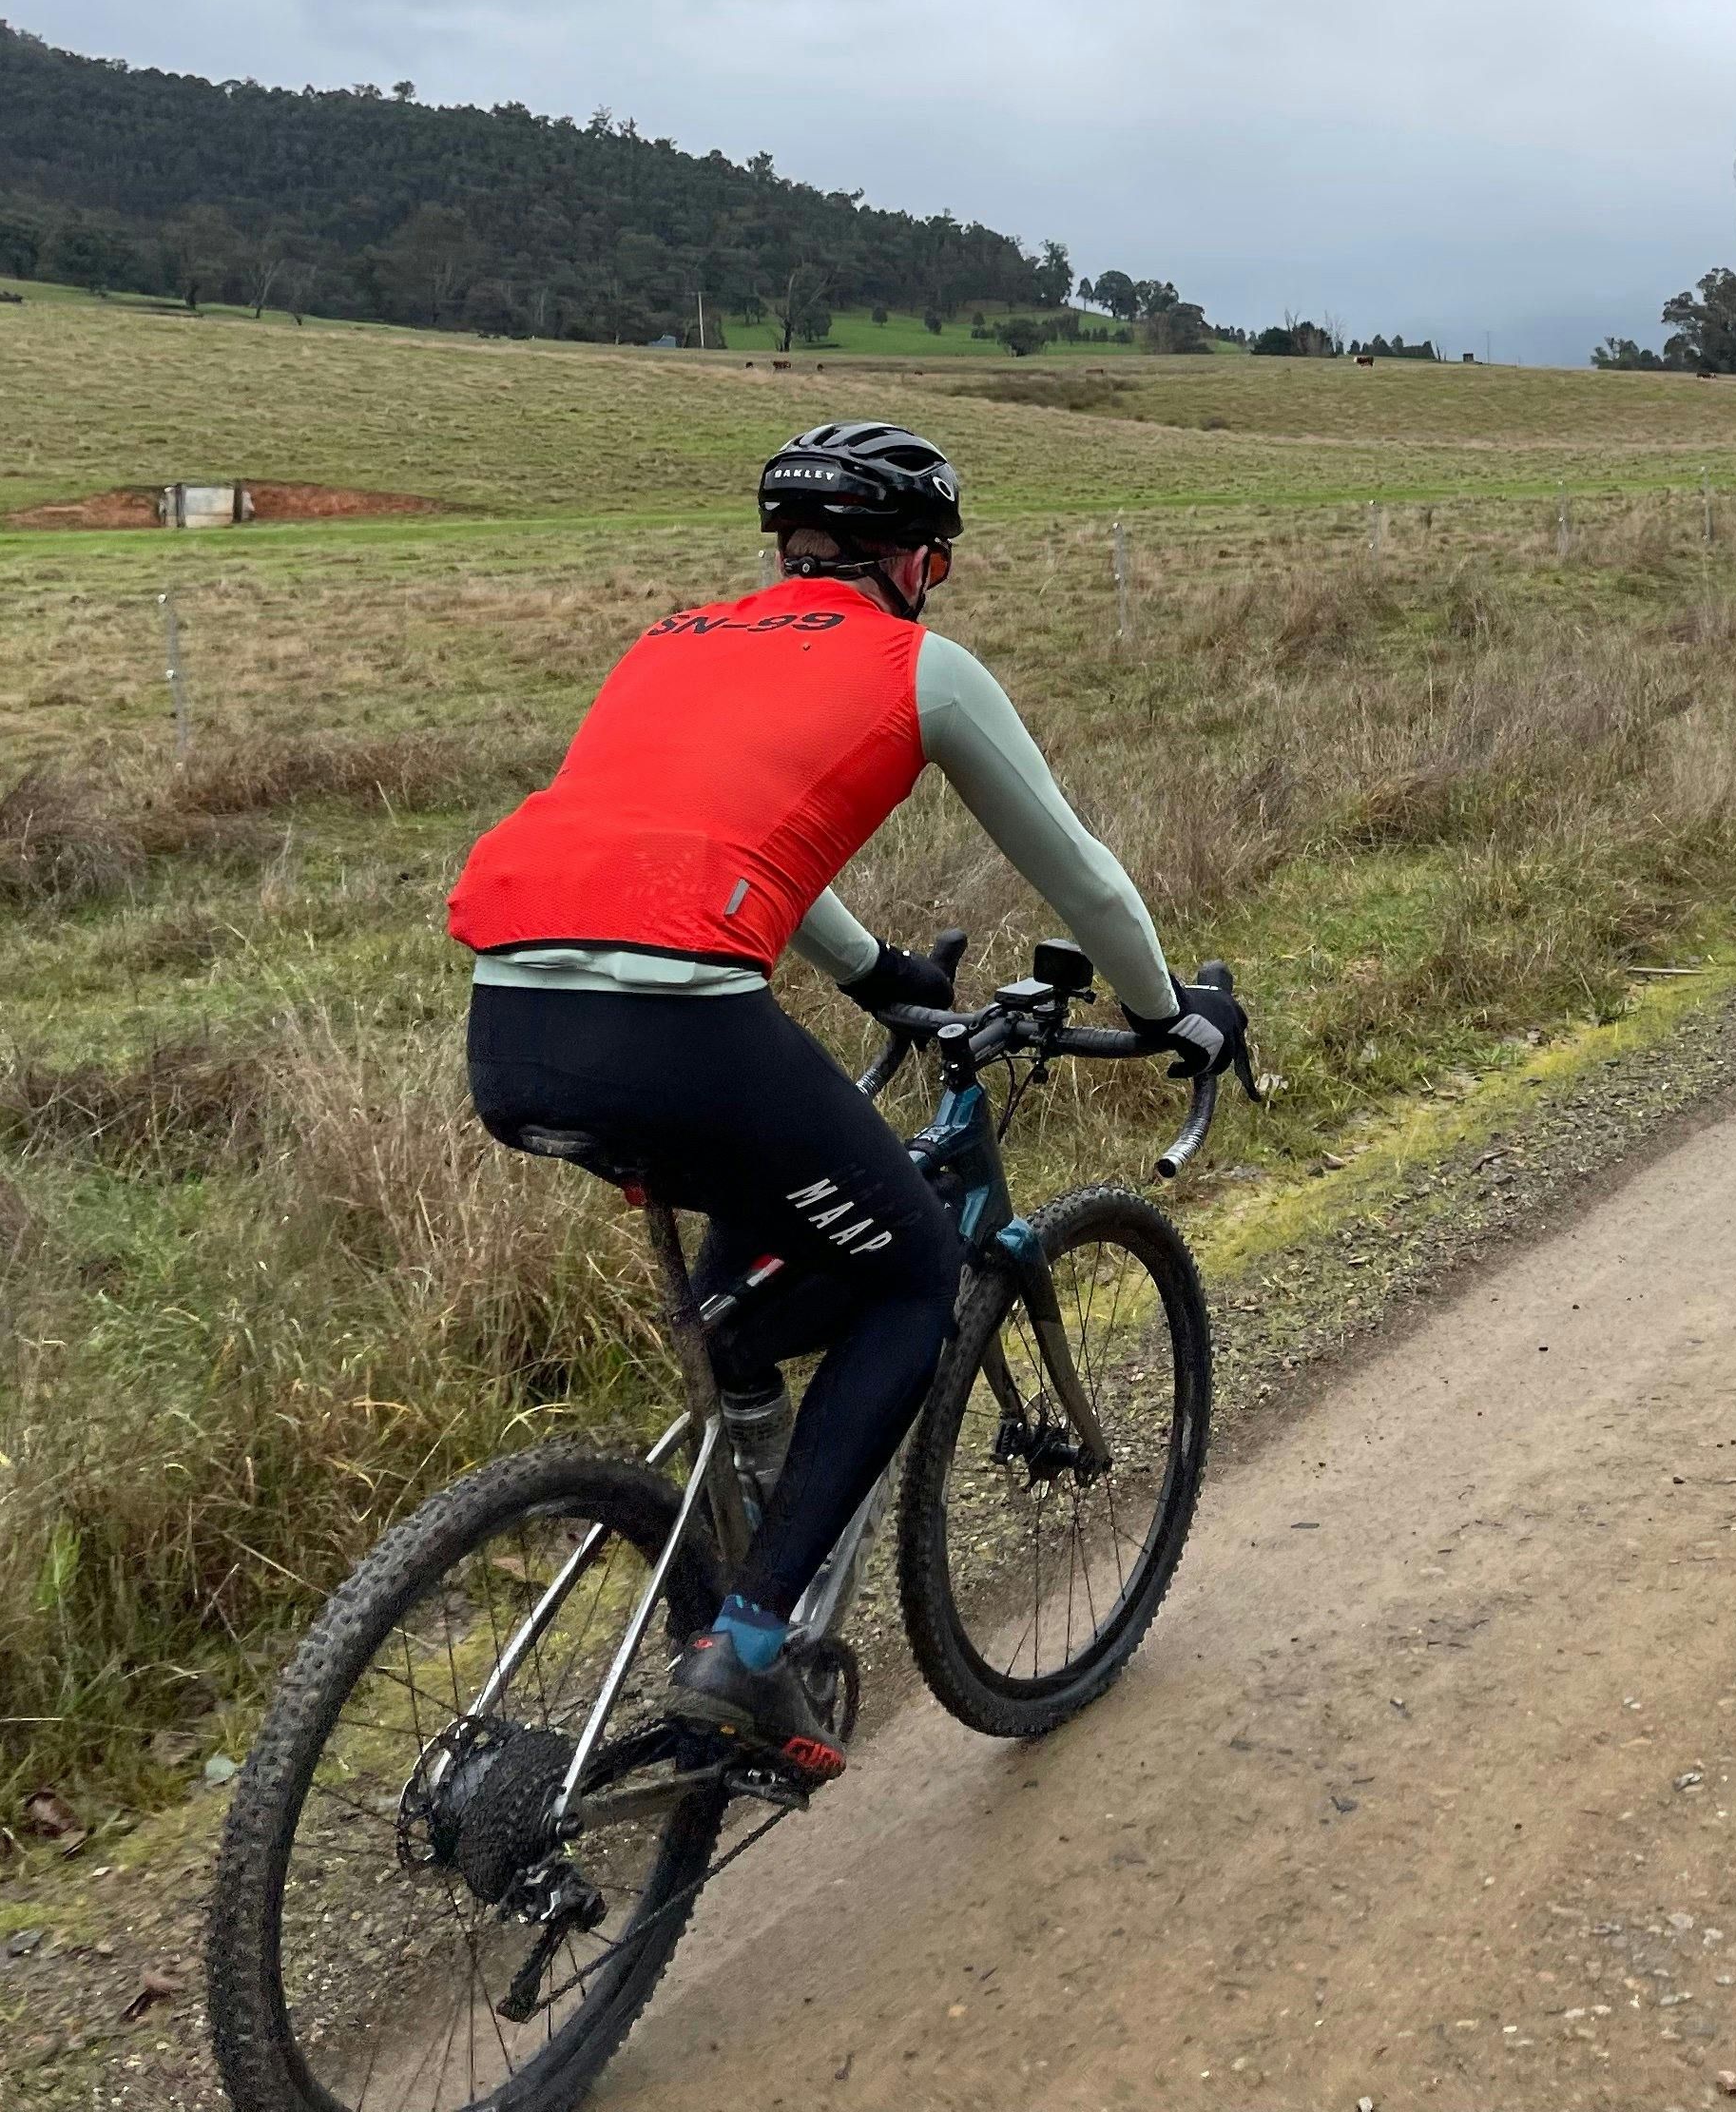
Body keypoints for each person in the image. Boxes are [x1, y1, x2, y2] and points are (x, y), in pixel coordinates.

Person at [446, 421, 1244, 1772]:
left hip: (513, 1023)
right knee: (912, 1277)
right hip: (679, 1027)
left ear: (785, 549)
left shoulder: (669, 644)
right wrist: (1175, 1015)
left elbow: (725, 830)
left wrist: (874, 974)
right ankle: (752, 1648)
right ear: (923, 560)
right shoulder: (918, 664)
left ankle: (743, 1478)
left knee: (751, 1281)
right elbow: (1086, 878)